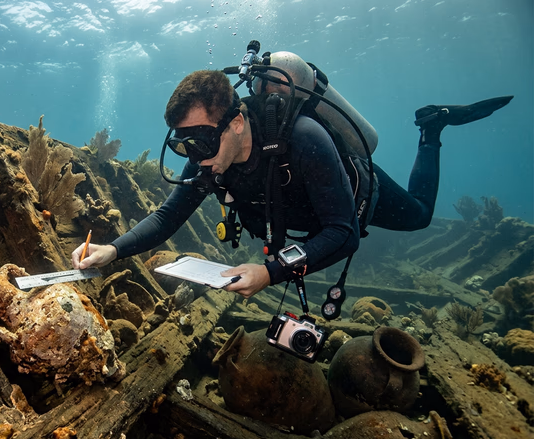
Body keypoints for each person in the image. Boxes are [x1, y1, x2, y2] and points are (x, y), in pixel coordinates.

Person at [71, 53, 512, 299]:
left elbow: (344, 233)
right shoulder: (210, 154)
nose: (196, 158)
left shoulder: (302, 139)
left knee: (418, 215)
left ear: (236, 123)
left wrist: (270, 272)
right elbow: (169, 217)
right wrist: (112, 250)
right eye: (184, 145)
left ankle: (431, 130)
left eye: (201, 142)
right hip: (300, 222)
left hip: (355, 199)